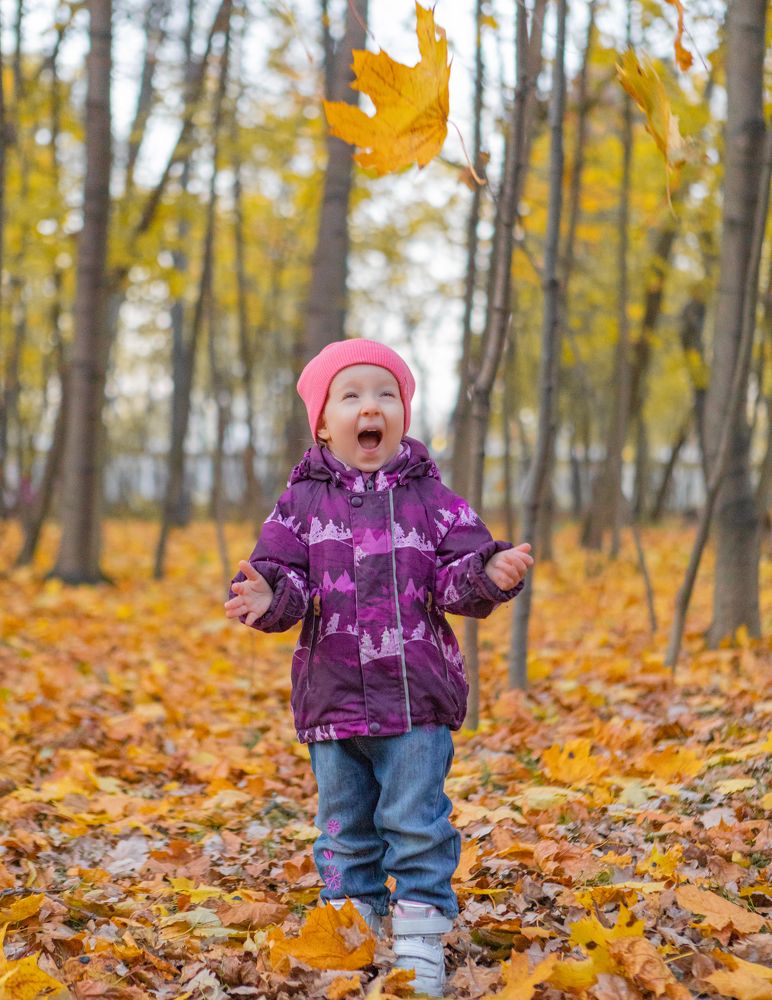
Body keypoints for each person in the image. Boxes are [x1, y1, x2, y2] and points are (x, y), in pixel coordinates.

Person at [225, 339, 532, 996]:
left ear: (404, 416)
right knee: (343, 826)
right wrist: (265, 596)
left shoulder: (433, 500)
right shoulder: (300, 506)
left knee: (417, 821)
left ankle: (420, 936)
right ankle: (351, 920)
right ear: (324, 422)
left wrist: (489, 572)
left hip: (416, 699)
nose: (372, 407)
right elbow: (284, 578)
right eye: (353, 395)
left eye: (387, 394)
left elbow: (456, 579)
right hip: (331, 701)